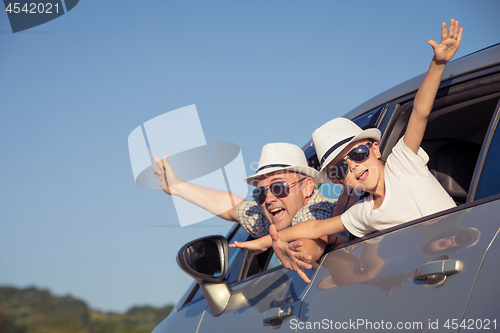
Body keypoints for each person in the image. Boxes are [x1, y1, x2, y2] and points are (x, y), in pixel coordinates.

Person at [230, 19, 462, 269]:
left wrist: (438, 63)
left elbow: (419, 112)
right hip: (436, 270)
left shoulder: (403, 163)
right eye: (340, 169)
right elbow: (315, 227)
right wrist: (263, 242)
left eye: (359, 154)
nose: (352, 167)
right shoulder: (363, 213)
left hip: (464, 250)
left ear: (375, 149)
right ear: (339, 182)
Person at [151, 142, 339, 279]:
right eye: (259, 193)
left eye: (279, 187)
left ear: (307, 187)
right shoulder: (273, 216)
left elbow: (314, 235)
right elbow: (233, 208)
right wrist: (177, 187)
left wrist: (300, 252)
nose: (269, 198)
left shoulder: (317, 208)